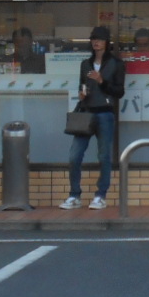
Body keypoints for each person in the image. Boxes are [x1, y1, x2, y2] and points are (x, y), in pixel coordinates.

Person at [62, 25, 126, 210]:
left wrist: (101, 81)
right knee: (74, 155)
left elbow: (119, 92)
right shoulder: (85, 64)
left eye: (99, 39)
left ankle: (100, 195)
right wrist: (82, 94)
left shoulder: (116, 64)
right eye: (93, 39)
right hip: (86, 112)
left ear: (107, 42)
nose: (95, 42)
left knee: (104, 156)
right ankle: (74, 195)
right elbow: (82, 86)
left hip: (105, 113)